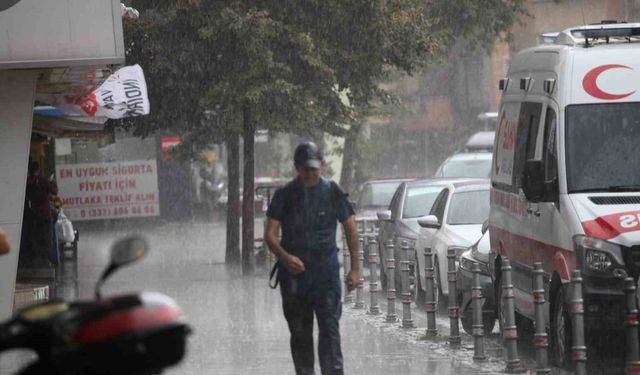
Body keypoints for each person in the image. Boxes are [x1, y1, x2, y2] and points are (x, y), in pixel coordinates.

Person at [265, 142, 361, 375]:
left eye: (314, 169)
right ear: (296, 167)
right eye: (305, 169)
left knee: (329, 331)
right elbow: (270, 234)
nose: (310, 174)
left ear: (322, 166)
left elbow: (350, 229)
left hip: (325, 276)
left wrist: (355, 270)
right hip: (295, 279)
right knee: (300, 334)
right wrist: (285, 258)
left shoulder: (332, 192)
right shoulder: (284, 195)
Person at [24, 161, 53, 267]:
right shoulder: (43, 180)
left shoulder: (27, 181)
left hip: (34, 214)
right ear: (38, 170)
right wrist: (50, 182)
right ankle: (44, 259)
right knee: (46, 236)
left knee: (35, 237)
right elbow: (52, 190)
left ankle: (35, 259)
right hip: (45, 213)